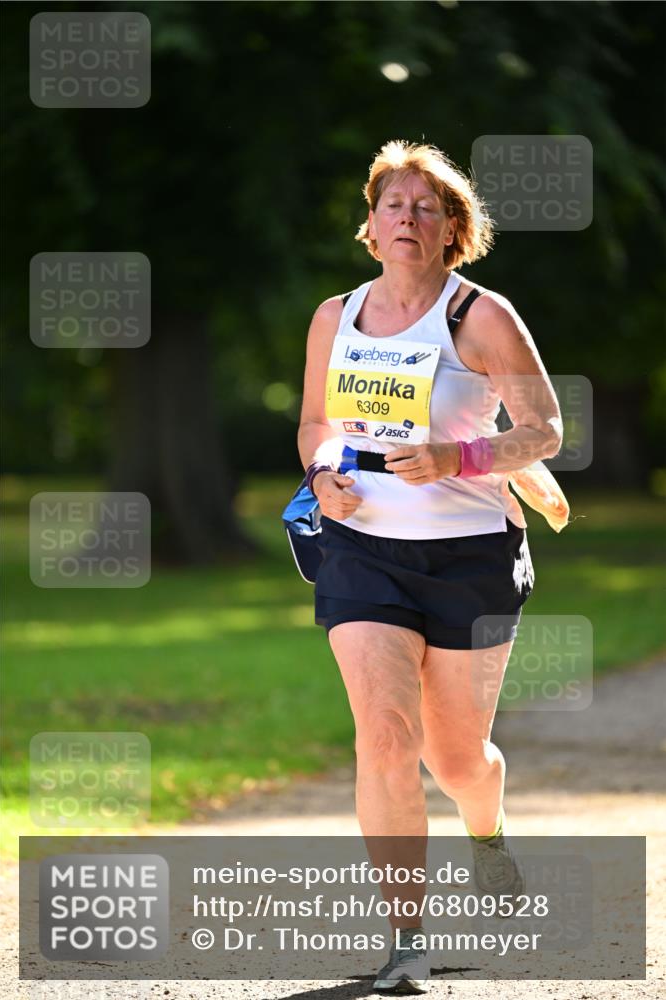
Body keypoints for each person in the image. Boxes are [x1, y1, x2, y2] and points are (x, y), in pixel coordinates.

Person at [296, 140, 563, 994]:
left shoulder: (479, 316)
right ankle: (404, 936)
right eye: (392, 205)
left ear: (453, 230)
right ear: (369, 226)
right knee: (383, 734)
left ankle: (484, 833)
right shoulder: (334, 316)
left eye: (426, 208)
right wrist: (319, 475)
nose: (407, 219)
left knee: (457, 760)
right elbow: (311, 423)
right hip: (361, 551)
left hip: (469, 557)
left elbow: (545, 433)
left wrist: (457, 458)